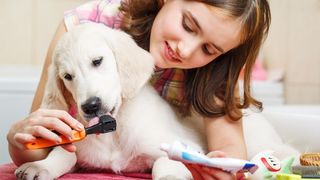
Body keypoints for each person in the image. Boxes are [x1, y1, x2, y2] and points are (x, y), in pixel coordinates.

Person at [7, 0, 271, 179]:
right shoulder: (86, 29)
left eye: (209, 49)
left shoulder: (211, 71)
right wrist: (18, 136)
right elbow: (42, 139)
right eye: (188, 25)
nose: (186, 49)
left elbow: (230, 149)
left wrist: (219, 167)